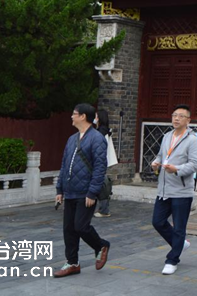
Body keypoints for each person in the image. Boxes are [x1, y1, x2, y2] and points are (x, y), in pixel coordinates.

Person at [54, 103, 111, 278]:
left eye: (74, 113)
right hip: (70, 190)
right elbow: (64, 165)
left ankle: (101, 245)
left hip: (86, 192)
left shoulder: (97, 138)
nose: (71, 116)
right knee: (69, 229)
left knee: (81, 226)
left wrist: (92, 192)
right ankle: (72, 263)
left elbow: (100, 168)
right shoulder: (72, 139)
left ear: (83, 116)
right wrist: (59, 189)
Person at [151, 104, 197, 275]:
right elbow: (161, 155)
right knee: (157, 222)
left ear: (188, 120)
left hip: (181, 191)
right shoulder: (167, 136)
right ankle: (180, 244)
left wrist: (177, 169)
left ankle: (172, 259)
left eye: (181, 116)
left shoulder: (192, 140)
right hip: (164, 190)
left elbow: (195, 164)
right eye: (174, 115)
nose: (176, 118)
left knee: (179, 227)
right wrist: (156, 163)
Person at [94, 110, 117, 218]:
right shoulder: (104, 130)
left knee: (102, 186)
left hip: (100, 162)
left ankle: (104, 210)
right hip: (102, 161)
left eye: (96, 117)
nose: (95, 119)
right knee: (102, 185)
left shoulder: (101, 132)